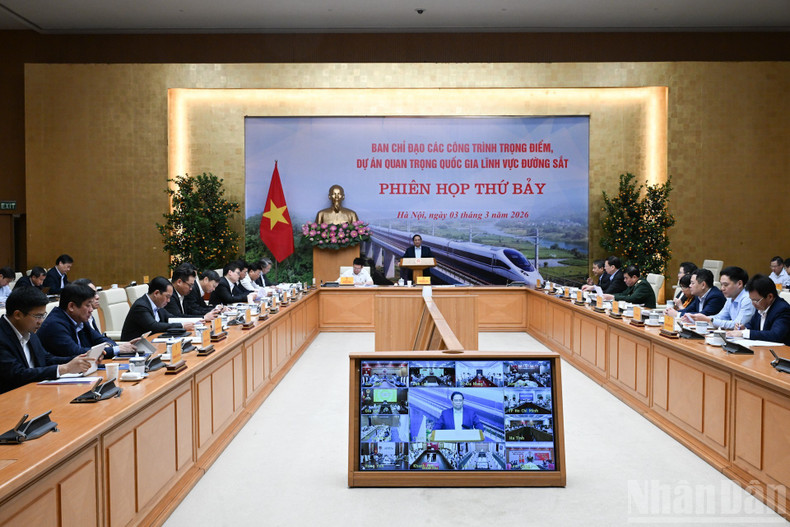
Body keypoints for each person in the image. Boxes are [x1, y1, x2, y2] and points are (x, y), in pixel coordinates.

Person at [0, 287, 92, 394]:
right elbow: (17, 374)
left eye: (43, 315)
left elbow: (45, 359)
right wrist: (64, 369)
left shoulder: (28, 330)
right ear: (18, 315)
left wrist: (80, 360)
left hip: (34, 392)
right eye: (38, 316)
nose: (41, 321)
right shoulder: (2, 336)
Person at [37, 282, 134, 359]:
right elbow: (76, 353)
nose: (91, 310)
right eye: (87, 305)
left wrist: (109, 346)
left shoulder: (80, 320)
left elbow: (100, 339)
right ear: (71, 306)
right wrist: (114, 350)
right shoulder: (54, 325)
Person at [120, 276, 195, 341]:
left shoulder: (157, 304)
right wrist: (181, 325)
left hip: (153, 342)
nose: (168, 300)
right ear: (156, 293)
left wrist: (196, 320)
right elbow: (154, 326)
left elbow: (171, 318)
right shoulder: (140, 306)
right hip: (135, 347)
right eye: (167, 297)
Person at [726, 274, 790, 346]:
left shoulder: (783, 309)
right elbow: (751, 325)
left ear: (770, 297)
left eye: (756, 300)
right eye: (751, 300)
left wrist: (744, 333)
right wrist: (743, 328)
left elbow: (775, 335)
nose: (753, 303)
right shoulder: (761, 305)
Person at [688, 266, 754, 329]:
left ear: (739, 284)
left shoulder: (748, 299)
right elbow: (721, 317)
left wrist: (709, 320)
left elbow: (737, 325)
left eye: (725, 285)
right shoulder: (730, 297)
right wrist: (698, 318)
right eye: (721, 284)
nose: (722, 288)